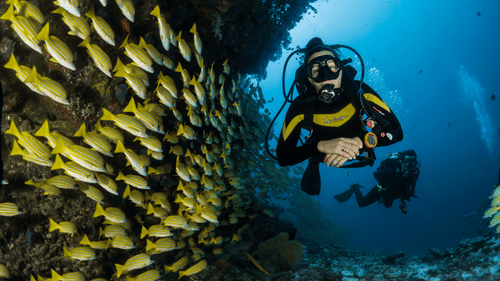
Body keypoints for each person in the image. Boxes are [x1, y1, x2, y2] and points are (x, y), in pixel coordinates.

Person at [276, 37, 403, 195]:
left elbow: (397, 133)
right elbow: (283, 156)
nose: (325, 76)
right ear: (309, 78)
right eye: (315, 70)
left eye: (331, 66)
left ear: (341, 69)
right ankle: (314, 160)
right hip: (321, 153)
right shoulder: (300, 107)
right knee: (314, 156)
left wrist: (361, 142)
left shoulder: (360, 91)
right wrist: (318, 147)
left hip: (360, 143)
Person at [334, 150, 420, 214]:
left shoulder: (413, 175)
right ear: (402, 162)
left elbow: (410, 189)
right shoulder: (392, 169)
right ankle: (355, 187)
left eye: (414, 163)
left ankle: (386, 199)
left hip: (393, 192)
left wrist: (406, 195)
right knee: (362, 204)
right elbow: (376, 174)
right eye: (409, 163)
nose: (411, 166)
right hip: (382, 189)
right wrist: (390, 174)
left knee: (387, 205)